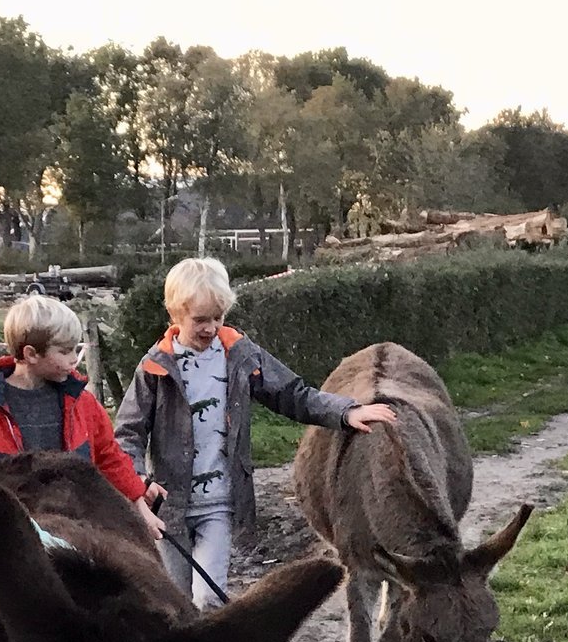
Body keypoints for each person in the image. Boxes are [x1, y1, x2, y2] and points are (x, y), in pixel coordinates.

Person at [114, 255, 397, 609]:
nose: (210, 328)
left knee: (209, 599)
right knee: (174, 601)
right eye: (200, 320)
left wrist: (346, 411)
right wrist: (137, 481)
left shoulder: (239, 355)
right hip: (170, 505)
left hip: (221, 501)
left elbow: (292, 394)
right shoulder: (155, 367)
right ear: (175, 315)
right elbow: (128, 433)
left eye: (218, 318)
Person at [0, 293, 163, 540]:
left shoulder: (83, 402)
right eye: (65, 351)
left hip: (78, 529)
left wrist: (139, 505)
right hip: (11, 535)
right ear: (31, 354)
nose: (74, 359)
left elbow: (109, 457)